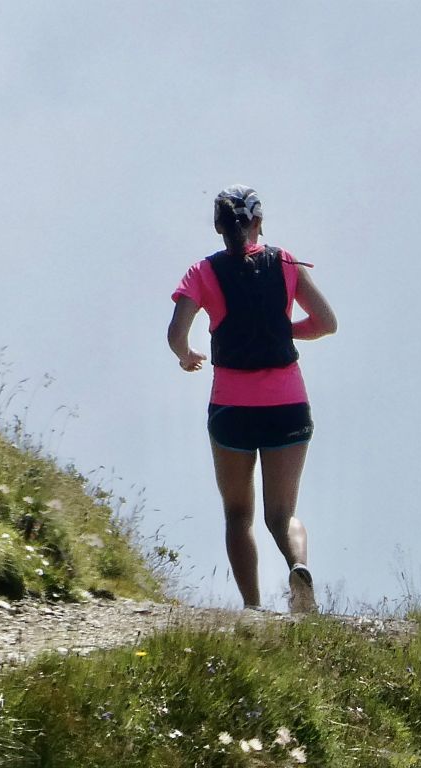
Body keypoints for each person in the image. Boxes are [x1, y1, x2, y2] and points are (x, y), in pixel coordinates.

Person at [167, 185, 337, 613]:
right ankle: (298, 565)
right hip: (288, 406)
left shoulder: (202, 272)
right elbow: (326, 323)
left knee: (238, 515)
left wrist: (186, 356)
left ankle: (254, 608)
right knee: (282, 515)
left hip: (232, 409)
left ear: (218, 227)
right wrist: (281, 329)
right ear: (258, 222)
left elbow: (176, 333)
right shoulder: (285, 262)